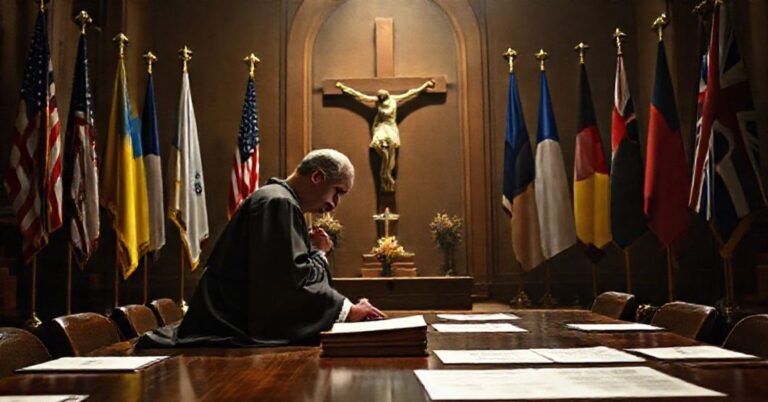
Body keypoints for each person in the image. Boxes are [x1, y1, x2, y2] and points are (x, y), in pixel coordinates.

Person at [140, 149, 385, 347]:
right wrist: (348, 308)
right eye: (337, 192)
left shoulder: (277, 199)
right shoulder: (279, 203)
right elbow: (288, 284)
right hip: (228, 328)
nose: (334, 204)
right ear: (318, 177)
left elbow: (282, 274)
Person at [336, 80, 434, 192]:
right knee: (379, 147)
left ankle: (387, 175)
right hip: (381, 127)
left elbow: (412, 93)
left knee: (390, 151)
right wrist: (343, 88)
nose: (381, 98)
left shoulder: (394, 100)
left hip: (390, 128)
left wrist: (425, 85)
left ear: (386, 95)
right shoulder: (377, 102)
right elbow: (359, 96)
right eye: (380, 97)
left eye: (383, 96)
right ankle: (385, 175)